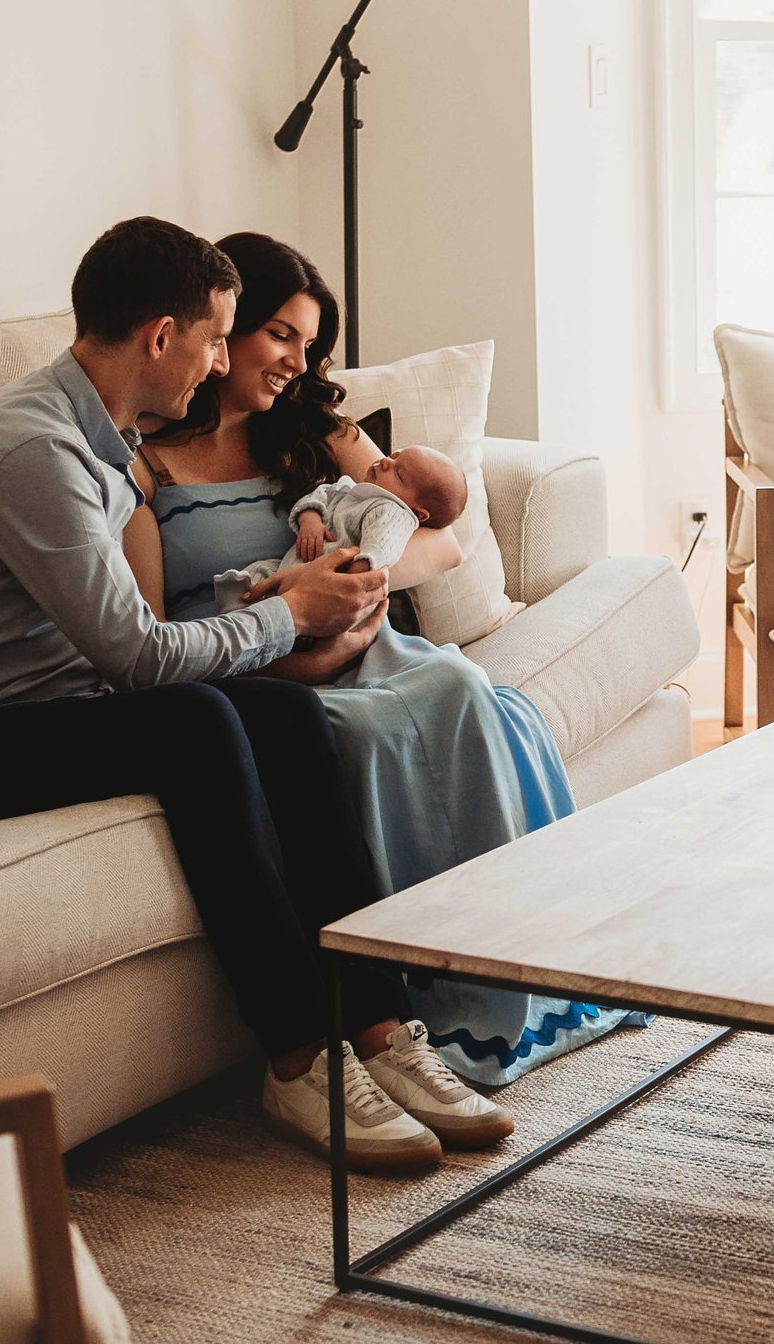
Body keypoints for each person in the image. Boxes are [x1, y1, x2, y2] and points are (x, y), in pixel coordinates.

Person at [0, 215, 468, 1174]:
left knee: (281, 711)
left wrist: (295, 608)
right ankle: (294, 1056)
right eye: (216, 338)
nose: (222, 360)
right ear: (161, 336)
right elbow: (138, 656)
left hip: (53, 706)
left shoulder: (103, 434)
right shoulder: (40, 451)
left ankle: (381, 1024)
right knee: (195, 721)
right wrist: (294, 613)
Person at [125, 232, 645, 1090]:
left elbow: (435, 536)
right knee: (364, 733)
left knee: (463, 684)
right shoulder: (146, 465)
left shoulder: (314, 429)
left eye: (307, 342)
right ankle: (423, 1002)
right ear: (222, 329)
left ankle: (515, 970)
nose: (295, 361)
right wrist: (293, 625)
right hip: (251, 670)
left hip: (360, 638)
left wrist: (353, 592)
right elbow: (146, 631)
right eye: (279, 336)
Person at [208, 444, 466, 613]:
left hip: (328, 583)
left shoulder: (392, 511)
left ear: (418, 512)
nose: (385, 462)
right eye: (393, 455)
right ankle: (235, 610)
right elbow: (319, 495)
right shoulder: (349, 488)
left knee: (285, 602)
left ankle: (247, 618)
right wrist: (310, 519)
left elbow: (382, 543)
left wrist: (360, 569)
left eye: (399, 474)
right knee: (258, 573)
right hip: (292, 566)